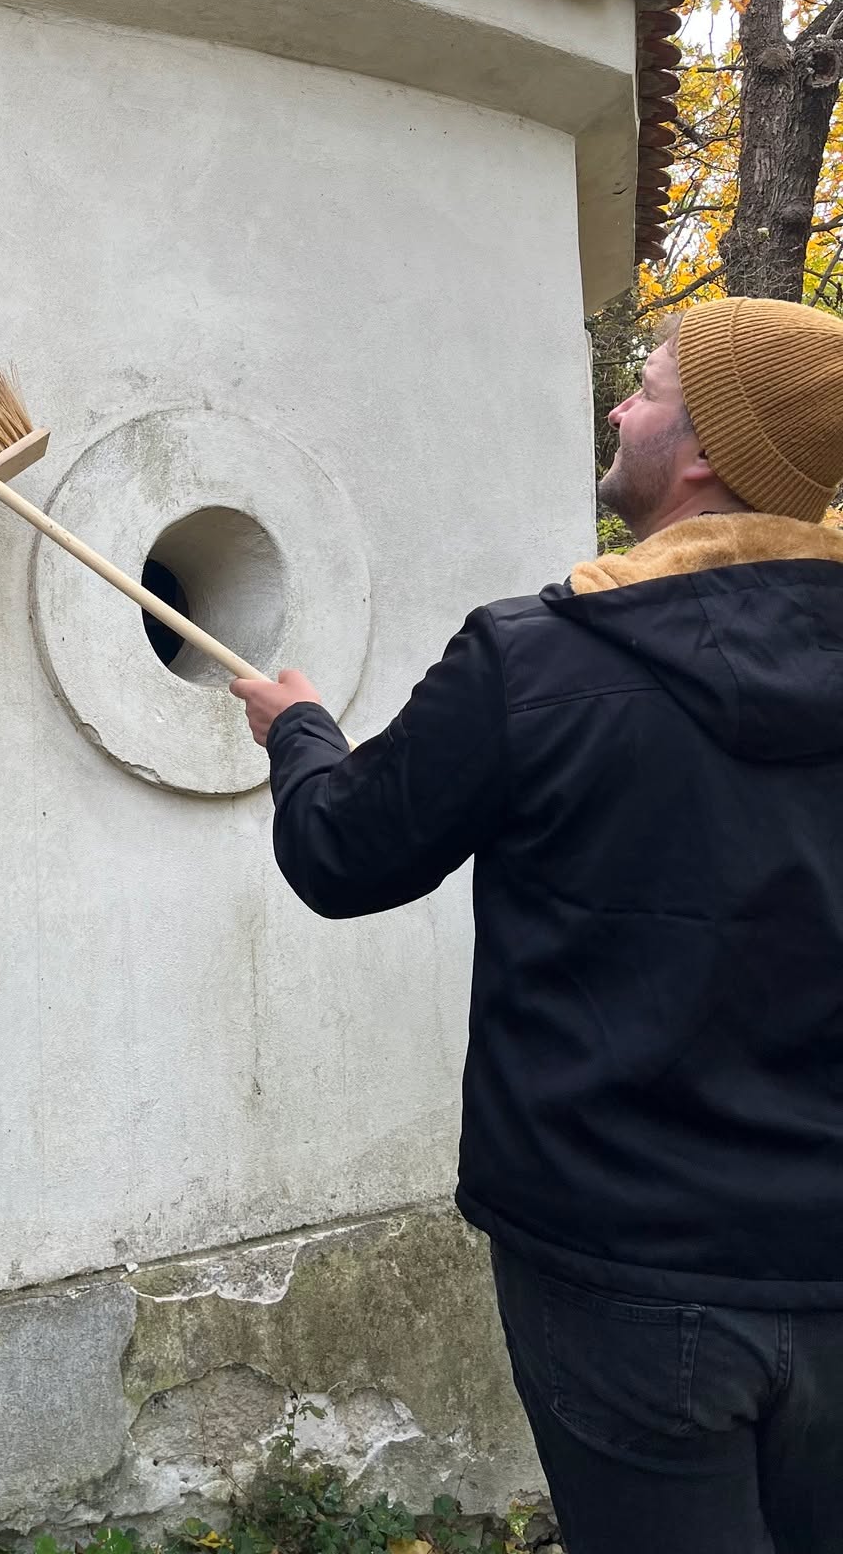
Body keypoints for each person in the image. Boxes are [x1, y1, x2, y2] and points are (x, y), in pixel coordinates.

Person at [229, 296, 843, 1554]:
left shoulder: (536, 662)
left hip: (626, 1277)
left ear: (706, 453)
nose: (620, 405)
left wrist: (297, 733)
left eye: (650, 386)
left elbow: (344, 855)